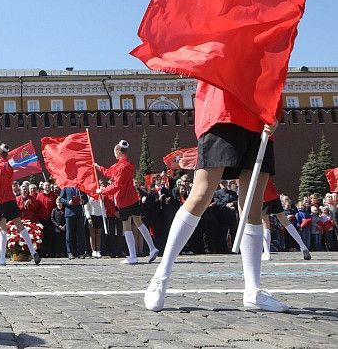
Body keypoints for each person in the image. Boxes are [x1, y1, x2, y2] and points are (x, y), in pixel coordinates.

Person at [145, 82, 288, 312]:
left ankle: (253, 289)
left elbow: (275, 65)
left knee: (252, 203)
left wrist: (276, 110)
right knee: (201, 193)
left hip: (260, 111)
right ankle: (161, 276)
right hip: (223, 109)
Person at [96, 140, 158, 264]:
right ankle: (152, 248)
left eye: (115, 152)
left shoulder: (120, 166)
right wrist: (99, 168)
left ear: (118, 151)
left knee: (127, 227)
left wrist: (102, 191)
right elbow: (110, 173)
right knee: (140, 223)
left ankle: (133, 256)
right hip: (133, 199)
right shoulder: (128, 164)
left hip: (124, 201)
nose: (114, 154)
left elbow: (116, 185)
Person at [0, 144, 40, 266]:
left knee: (3, 230)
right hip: (11, 200)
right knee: (21, 227)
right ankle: (32, 250)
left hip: (0, 201)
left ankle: (2, 259)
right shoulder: (9, 166)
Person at [260, 179, 310, 261]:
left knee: (265, 224)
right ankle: (303, 246)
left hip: (263, 196)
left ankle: (267, 252)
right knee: (286, 222)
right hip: (274, 195)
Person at [58, 185, 87, 259]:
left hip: (79, 213)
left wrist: (83, 201)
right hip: (69, 213)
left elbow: (86, 198)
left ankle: (81, 252)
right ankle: (70, 252)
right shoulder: (66, 187)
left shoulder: (81, 187)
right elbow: (61, 198)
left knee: (81, 234)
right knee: (69, 234)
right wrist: (68, 202)